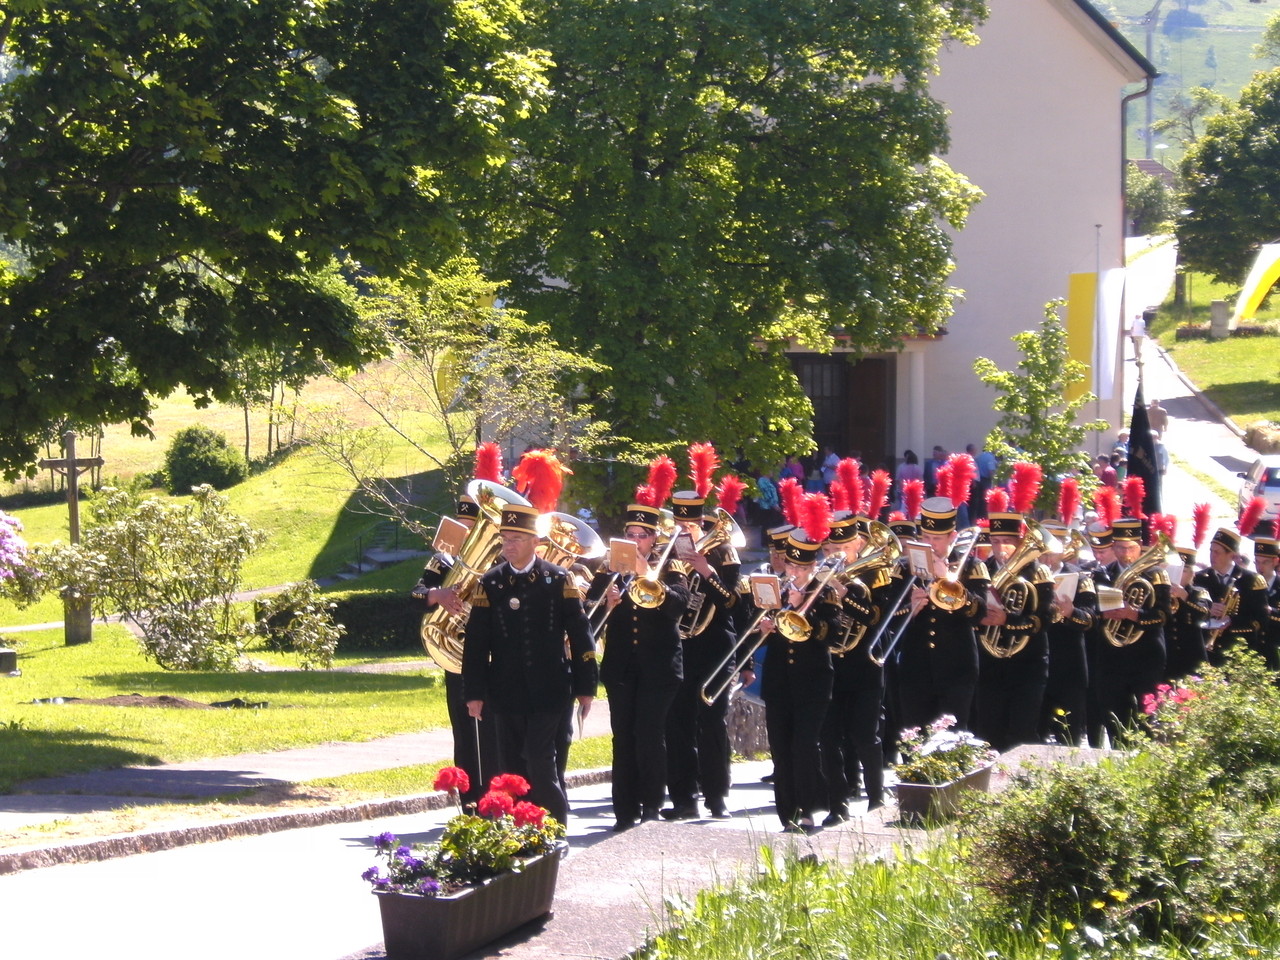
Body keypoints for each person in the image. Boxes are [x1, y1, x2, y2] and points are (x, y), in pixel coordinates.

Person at [462, 502, 598, 825]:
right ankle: (519, 831)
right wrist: (474, 693)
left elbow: (581, 636)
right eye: (505, 539)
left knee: (540, 761)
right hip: (506, 690)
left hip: (550, 690)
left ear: (535, 541)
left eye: (516, 539)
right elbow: (476, 644)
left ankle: (554, 828)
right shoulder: (491, 582)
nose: (508, 546)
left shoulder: (558, 579)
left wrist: (586, 687)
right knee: (510, 768)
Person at [596, 498, 692, 830]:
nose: (636, 541)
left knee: (649, 735)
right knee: (623, 737)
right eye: (631, 534)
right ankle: (624, 811)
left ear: (654, 539)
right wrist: (605, 603)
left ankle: (651, 807)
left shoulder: (671, 565)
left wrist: (646, 574)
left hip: (659, 666)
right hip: (621, 665)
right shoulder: (610, 565)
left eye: (642, 535)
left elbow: (679, 606)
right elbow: (588, 607)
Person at [412, 491, 500, 807]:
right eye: (464, 526)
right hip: (457, 658)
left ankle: (496, 802)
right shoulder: (444, 560)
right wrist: (439, 595)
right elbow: (415, 594)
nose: (467, 533)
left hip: (495, 660)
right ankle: (469, 803)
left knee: (495, 735)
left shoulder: (501, 563)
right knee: (464, 734)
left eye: (473, 527)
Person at [757, 525, 842, 832]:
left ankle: (808, 810)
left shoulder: (826, 592)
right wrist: (765, 629)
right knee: (781, 749)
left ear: (813, 566)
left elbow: (831, 633)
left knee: (804, 747)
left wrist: (800, 609)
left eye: (802, 568)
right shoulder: (776, 590)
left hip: (813, 681)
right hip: (779, 681)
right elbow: (758, 630)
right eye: (791, 566)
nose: (795, 572)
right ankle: (788, 813)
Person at [662, 492, 741, 821]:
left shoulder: (724, 551)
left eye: (690, 525)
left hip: (715, 647)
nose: (684, 531)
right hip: (680, 646)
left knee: (712, 722)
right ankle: (683, 798)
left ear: (700, 522)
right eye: (679, 525)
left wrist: (706, 572)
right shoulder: (666, 550)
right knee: (677, 723)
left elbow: (732, 602)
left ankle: (716, 796)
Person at [889, 497, 988, 732]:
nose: (930, 544)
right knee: (914, 737)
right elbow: (889, 617)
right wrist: (910, 608)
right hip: (916, 666)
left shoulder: (971, 566)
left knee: (952, 738)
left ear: (951, 537)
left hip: (957, 666)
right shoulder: (903, 567)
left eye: (937, 539)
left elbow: (979, 613)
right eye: (925, 537)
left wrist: (947, 579)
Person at [974, 511, 1052, 752]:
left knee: (1022, 732)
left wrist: (1007, 619)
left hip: (1027, 663)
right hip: (989, 663)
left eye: (1007, 541)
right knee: (988, 730)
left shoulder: (1038, 573)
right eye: (995, 542)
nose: (1000, 548)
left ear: (1020, 542)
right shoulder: (981, 571)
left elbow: (1045, 618)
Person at [1093, 518, 1171, 744]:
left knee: (1148, 716)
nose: (1125, 554)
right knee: (1113, 714)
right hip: (1111, 656)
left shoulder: (1156, 575)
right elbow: (1091, 611)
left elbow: (1164, 616)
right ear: (1113, 547)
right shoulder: (1102, 574)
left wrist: (1135, 615)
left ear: (1140, 546)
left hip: (1146, 656)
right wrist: (1102, 615)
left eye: (1130, 548)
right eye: (1120, 548)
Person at [1193, 526, 1269, 667]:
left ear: (1232, 555)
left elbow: (1261, 618)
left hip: (1238, 651)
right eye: (1211, 551)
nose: (1212, 556)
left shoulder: (1252, 580)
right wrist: (1207, 609)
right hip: (1206, 653)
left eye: (1217, 552)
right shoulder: (1199, 578)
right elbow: (1190, 612)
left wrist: (1231, 620)